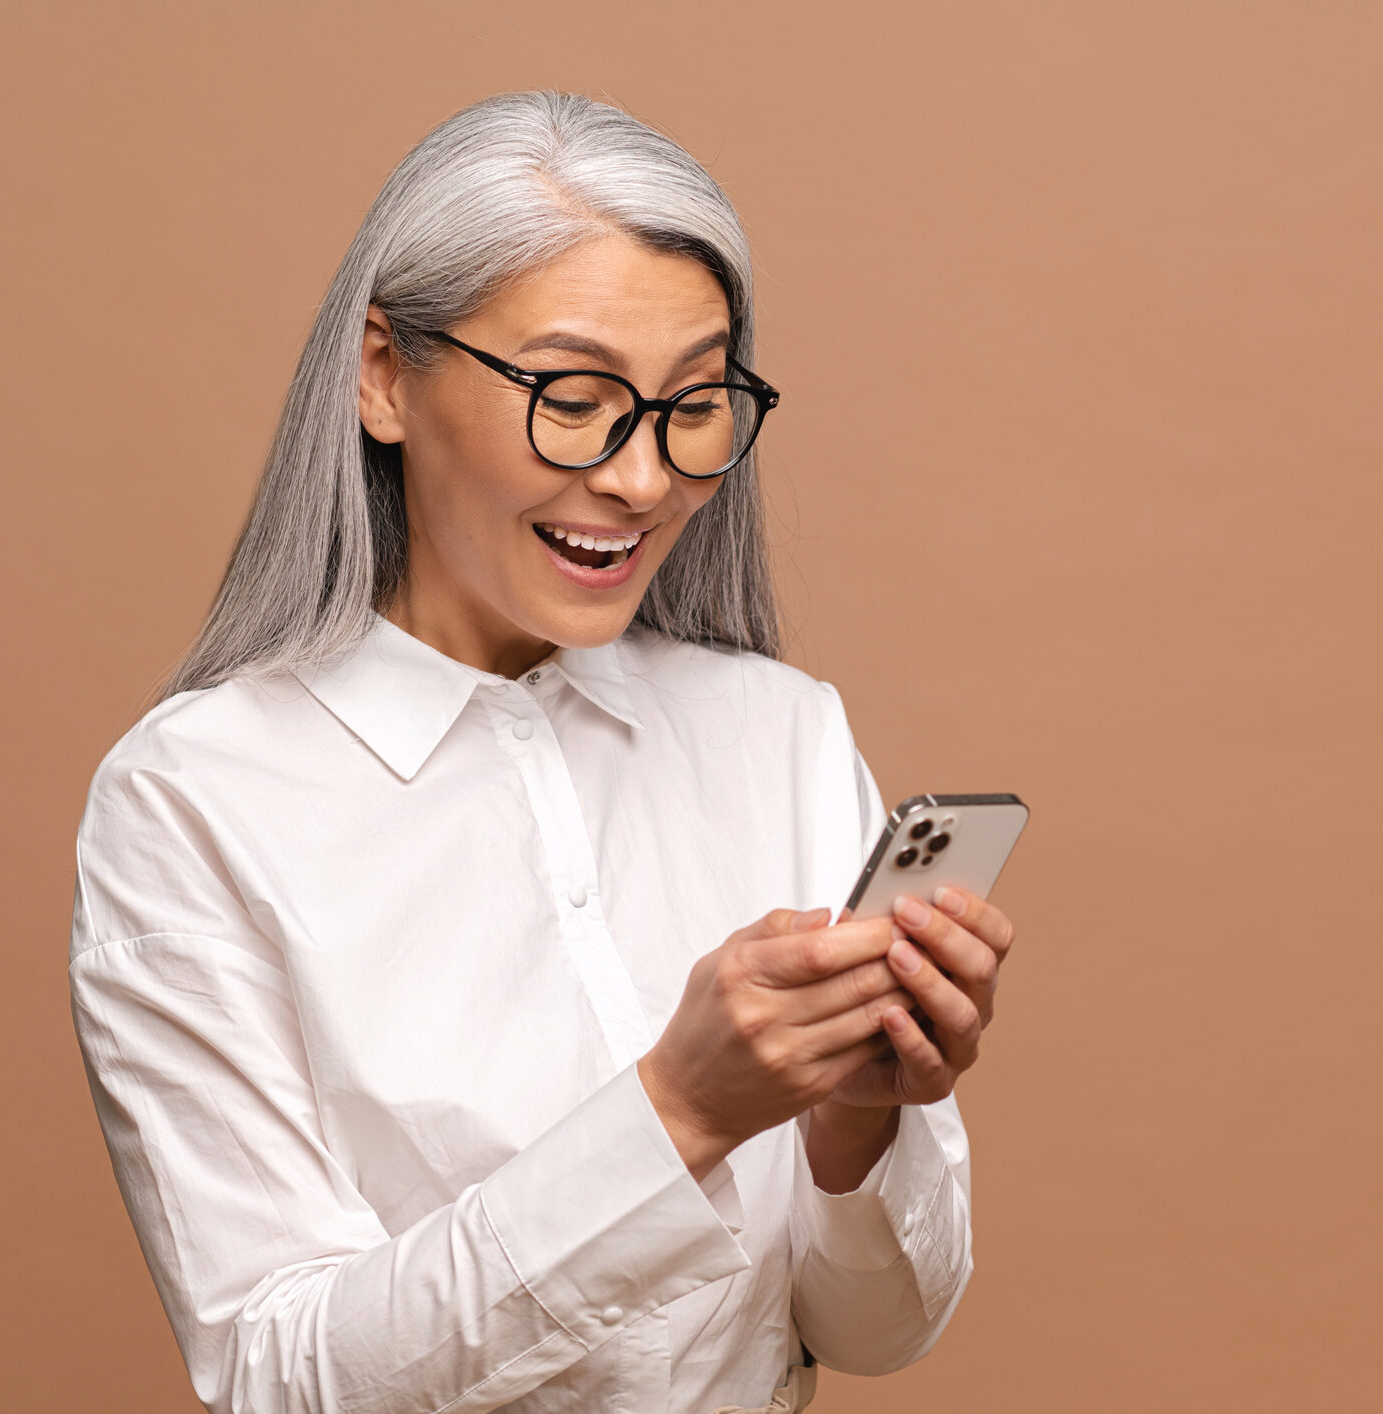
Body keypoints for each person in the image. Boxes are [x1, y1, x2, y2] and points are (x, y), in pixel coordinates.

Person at [67, 90, 1016, 1414]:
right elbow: (281, 1376)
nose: (642, 479)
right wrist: (678, 1109)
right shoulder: (193, 800)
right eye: (574, 398)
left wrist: (859, 1121)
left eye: (694, 404)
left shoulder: (780, 732)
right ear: (384, 374)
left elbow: (871, 1329)